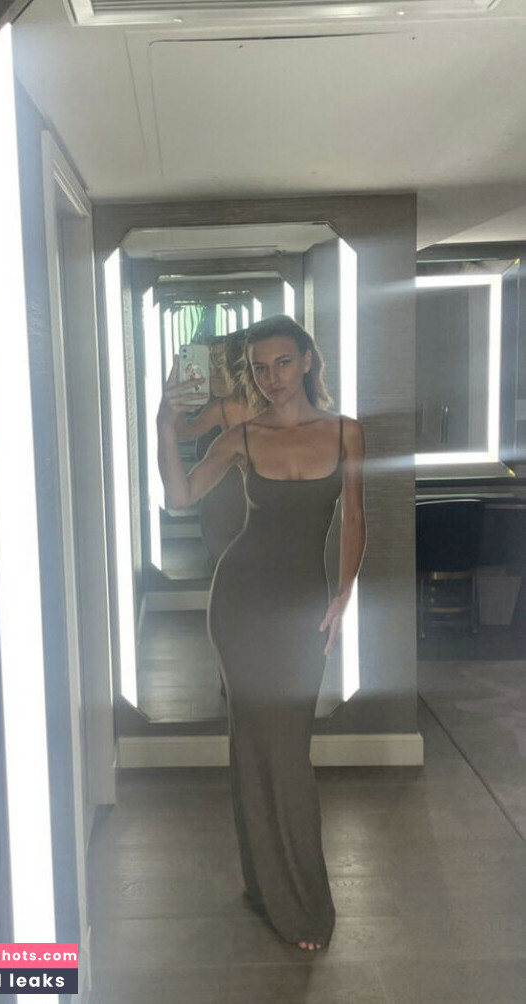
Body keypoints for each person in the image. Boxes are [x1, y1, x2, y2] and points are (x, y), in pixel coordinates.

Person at [157, 314, 366, 951]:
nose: (271, 377)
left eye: (282, 362)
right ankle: (285, 897)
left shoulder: (347, 432)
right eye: (259, 368)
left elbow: (355, 518)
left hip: (304, 605)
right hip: (241, 605)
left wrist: (343, 593)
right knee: (256, 743)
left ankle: (283, 889)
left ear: (307, 361)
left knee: (286, 748)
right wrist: (164, 423)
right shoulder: (242, 436)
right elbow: (180, 498)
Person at [173, 330, 267, 565]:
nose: (213, 370)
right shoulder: (275, 404)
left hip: (225, 501)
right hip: (243, 503)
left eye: (218, 362)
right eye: (211, 362)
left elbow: (181, 433)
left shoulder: (225, 408)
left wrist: (179, 401)